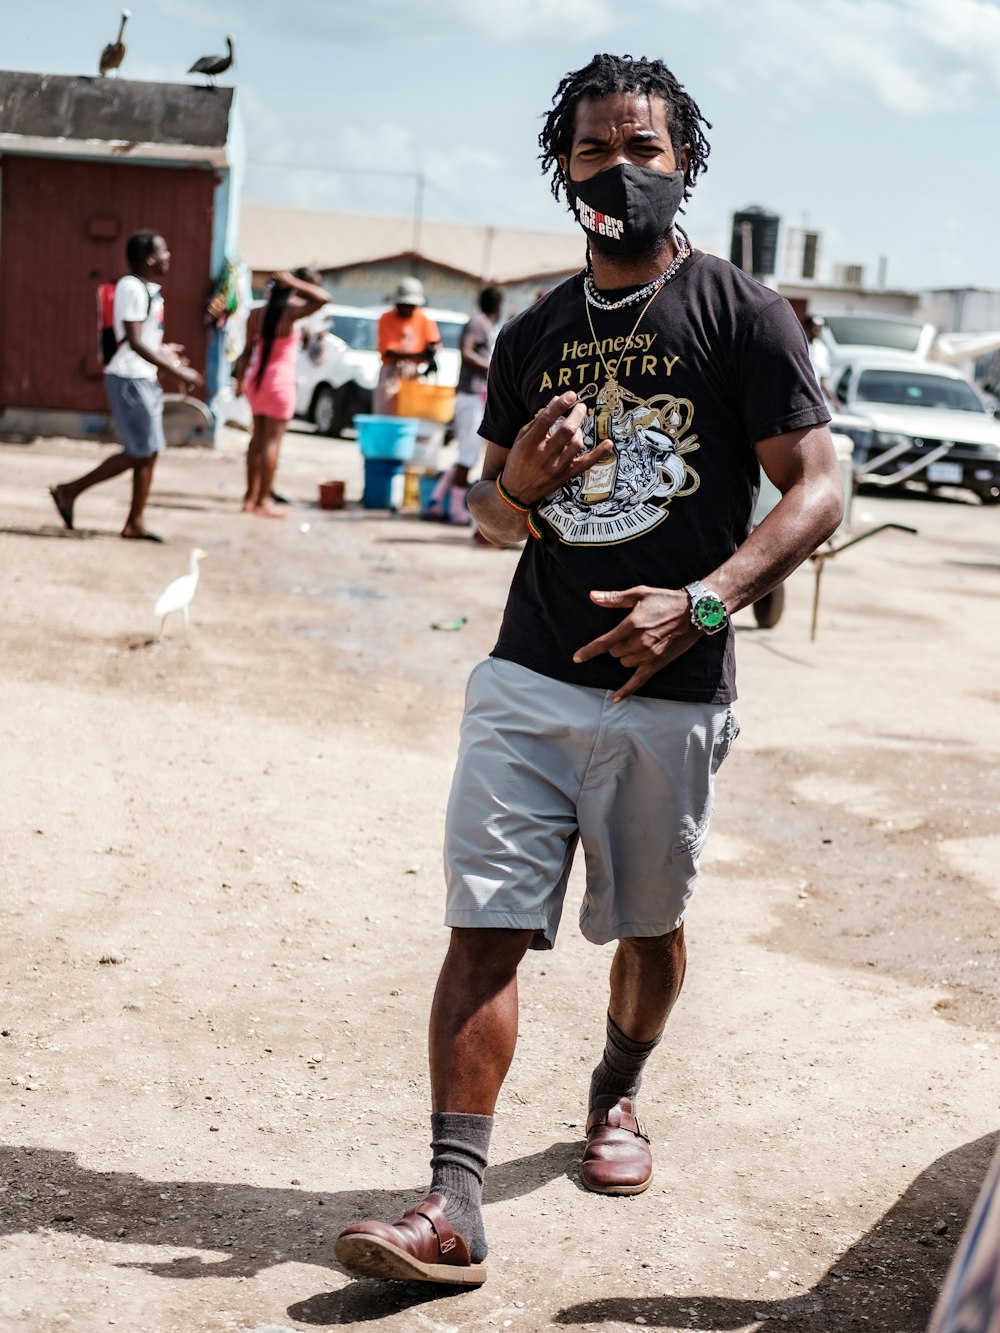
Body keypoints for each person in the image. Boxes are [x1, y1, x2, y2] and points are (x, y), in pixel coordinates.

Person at [334, 53, 844, 1288]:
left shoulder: (740, 313)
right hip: (525, 676)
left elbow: (818, 485)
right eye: (595, 153)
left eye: (646, 152)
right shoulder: (536, 331)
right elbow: (495, 525)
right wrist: (519, 486)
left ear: (686, 165)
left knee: (650, 925)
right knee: (485, 928)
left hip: (668, 695)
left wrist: (707, 605)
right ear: (564, 172)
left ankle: (615, 1098)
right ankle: (453, 1201)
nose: (621, 173)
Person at [49, 231, 202, 541]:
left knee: (149, 451)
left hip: (143, 375)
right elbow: (132, 341)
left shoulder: (147, 289)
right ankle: (69, 491)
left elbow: (141, 338)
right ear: (149, 258)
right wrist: (176, 371)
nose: (168, 256)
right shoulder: (132, 287)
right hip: (130, 378)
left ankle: (135, 522)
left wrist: (165, 352)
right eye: (164, 251)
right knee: (140, 450)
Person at [233, 267, 329, 518]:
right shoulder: (289, 315)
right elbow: (324, 298)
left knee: (257, 441)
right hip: (280, 383)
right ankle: (263, 500)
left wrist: (240, 380)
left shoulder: (255, 314)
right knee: (271, 444)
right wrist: (295, 281)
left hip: (257, 380)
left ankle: (249, 498)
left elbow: (246, 352)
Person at [442, 285, 504, 526]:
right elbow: (466, 352)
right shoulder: (478, 323)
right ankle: (456, 508)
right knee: (467, 453)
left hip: (476, 395)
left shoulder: (484, 325)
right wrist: (493, 368)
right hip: (469, 395)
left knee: (469, 451)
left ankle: (439, 499)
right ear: (499, 306)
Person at [372, 277, 441, 415]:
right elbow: (390, 352)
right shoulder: (386, 318)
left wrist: (431, 355)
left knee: (409, 413)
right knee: (386, 410)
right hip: (392, 371)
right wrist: (419, 355)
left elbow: (434, 342)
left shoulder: (424, 319)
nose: (406, 308)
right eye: (403, 304)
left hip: (414, 372)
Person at [804, 314, 841, 412]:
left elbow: (823, 379)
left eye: (819, 327)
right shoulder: (799, 345)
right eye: (814, 327)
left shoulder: (822, 349)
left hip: (813, 398)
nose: (816, 330)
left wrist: (834, 400)